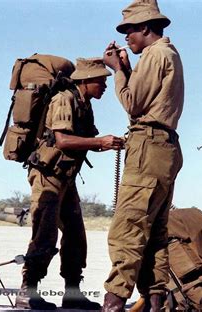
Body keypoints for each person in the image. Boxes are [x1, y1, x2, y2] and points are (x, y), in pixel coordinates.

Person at [15, 58, 123, 310]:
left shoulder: (84, 104)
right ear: (86, 81)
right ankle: (26, 292)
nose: (105, 86)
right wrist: (100, 143)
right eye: (101, 81)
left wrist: (112, 143)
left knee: (75, 235)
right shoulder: (64, 99)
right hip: (47, 175)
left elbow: (86, 140)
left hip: (65, 176)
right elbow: (63, 140)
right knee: (44, 233)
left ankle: (72, 293)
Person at [101, 0, 184, 311]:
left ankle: (113, 303)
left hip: (149, 146)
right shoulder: (166, 54)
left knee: (128, 229)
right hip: (163, 148)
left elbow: (133, 103)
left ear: (146, 28)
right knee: (154, 236)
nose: (126, 38)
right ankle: (155, 301)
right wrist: (126, 67)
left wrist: (117, 70)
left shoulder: (155, 54)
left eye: (129, 31)